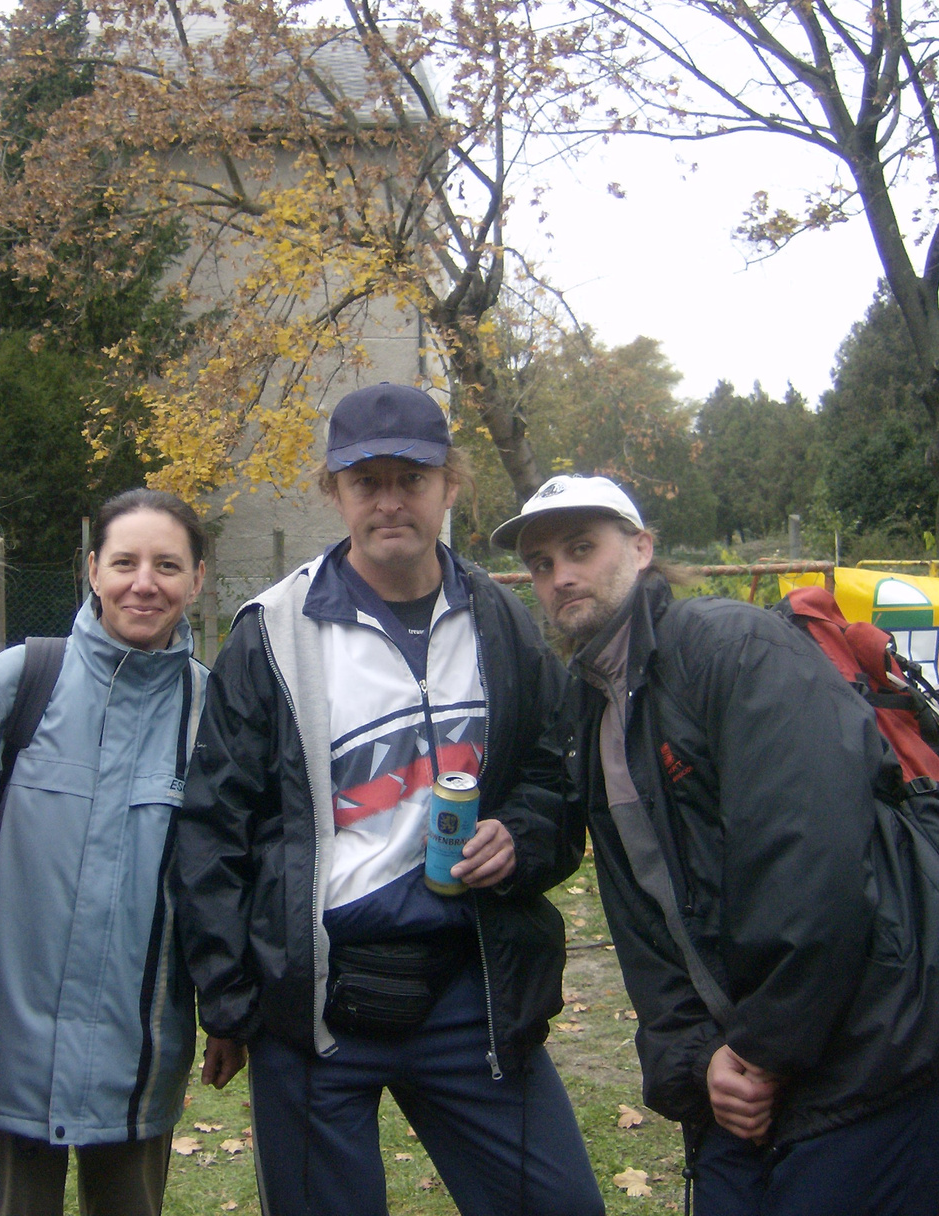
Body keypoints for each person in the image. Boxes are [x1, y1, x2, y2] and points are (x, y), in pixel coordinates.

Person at [504, 473, 939, 1216]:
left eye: (581, 548)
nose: (561, 575)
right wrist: (695, 1060)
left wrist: (757, 1053)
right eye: (541, 562)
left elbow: (813, 864)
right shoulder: (591, 708)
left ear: (643, 548)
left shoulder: (729, 647)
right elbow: (645, 920)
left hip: (878, 1051)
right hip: (743, 1076)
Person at [174, 383, 603, 1216]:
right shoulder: (274, 631)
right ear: (334, 491)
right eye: (366, 480)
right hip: (319, 1007)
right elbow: (214, 826)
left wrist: (520, 837)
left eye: (412, 476)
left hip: (467, 988)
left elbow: (555, 777)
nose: (390, 499)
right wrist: (228, 999)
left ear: (451, 485)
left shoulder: (501, 623)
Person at [0, 488, 236, 1216]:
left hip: (138, 1064)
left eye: (168, 565)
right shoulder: (14, 686)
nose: (146, 582)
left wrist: (228, 1009)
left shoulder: (216, 716)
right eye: (126, 562)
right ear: (92, 570)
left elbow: (229, 877)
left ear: (197, 580)